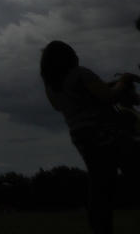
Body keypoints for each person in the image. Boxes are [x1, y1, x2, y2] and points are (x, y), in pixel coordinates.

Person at [41, 40, 140, 234]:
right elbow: (109, 97)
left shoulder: (52, 88)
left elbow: (62, 106)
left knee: (100, 186)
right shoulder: (80, 74)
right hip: (105, 132)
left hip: (81, 137)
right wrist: (124, 80)